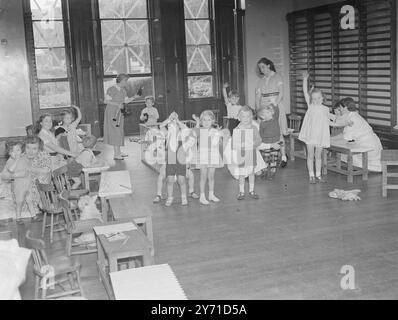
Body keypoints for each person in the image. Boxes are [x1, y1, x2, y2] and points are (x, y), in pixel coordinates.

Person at [298, 71, 335, 184]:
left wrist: (346, 121)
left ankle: (318, 175)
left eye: (318, 98)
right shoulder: (310, 106)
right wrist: (305, 79)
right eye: (314, 99)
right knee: (310, 155)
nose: (316, 100)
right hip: (310, 135)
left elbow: (332, 119)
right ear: (311, 100)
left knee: (318, 156)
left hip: (320, 136)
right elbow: (305, 91)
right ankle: (311, 175)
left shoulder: (325, 109)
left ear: (322, 98)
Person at [332, 97, 383, 172]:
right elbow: (344, 135)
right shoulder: (353, 115)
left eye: (340, 108)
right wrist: (331, 139)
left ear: (345, 108)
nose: (340, 110)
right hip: (371, 143)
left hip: (369, 146)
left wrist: (330, 140)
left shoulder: (352, 118)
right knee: (344, 155)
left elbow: (344, 138)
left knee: (346, 156)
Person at [255, 57, 288, 168]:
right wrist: (258, 110)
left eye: (263, 67)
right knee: (264, 132)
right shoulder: (261, 80)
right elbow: (258, 96)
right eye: (260, 68)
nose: (262, 69)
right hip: (264, 109)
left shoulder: (277, 77)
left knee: (277, 131)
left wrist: (274, 106)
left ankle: (283, 156)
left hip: (275, 106)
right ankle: (266, 157)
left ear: (269, 65)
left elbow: (281, 93)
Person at [193, 110, 227, 205]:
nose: (206, 122)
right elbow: (193, 134)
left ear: (213, 121)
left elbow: (219, 142)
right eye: (204, 120)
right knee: (203, 176)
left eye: (209, 120)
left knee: (211, 176)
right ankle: (202, 196)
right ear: (201, 121)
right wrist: (197, 123)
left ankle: (211, 194)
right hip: (203, 156)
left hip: (213, 155)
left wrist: (219, 135)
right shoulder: (199, 130)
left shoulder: (215, 131)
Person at [103, 74, 140, 160]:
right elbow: (106, 101)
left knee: (119, 131)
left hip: (119, 113)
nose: (126, 83)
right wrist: (117, 104)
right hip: (112, 113)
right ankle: (116, 154)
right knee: (115, 132)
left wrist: (135, 96)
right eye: (126, 81)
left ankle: (118, 152)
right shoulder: (111, 89)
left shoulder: (123, 90)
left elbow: (126, 101)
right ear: (121, 80)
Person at [231, 106, 261, 200]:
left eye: (248, 116)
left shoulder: (254, 128)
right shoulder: (237, 129)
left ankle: (252, 190)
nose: (246, 119)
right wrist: (239, 144)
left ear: (252, 117)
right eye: (243, 116)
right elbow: (233, 143)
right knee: (241, 173)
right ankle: (241, 191)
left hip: (251, 153)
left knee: (251, 172)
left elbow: (259, 140)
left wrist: (254, 143)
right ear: (239, 118)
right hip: (241, 154)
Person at [160, 112, 190, 207]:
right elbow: (161, 125)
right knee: (170, 180)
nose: (172, 127)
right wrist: (170, 119)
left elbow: (186, 128)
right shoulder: (167, 135)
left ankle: (184, 197)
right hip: (171, 160)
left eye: (175, 126)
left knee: (181, 180)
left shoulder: (181, 135)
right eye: (170, 126)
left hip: (180, 160)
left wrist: (177, 121)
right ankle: (170, 197)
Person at [0, 141, 31, 224]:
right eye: (13, 151)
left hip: (26, 183)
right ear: (9, 153)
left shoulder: (24, 158)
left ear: (22, 151)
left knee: (29, 198)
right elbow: (6, 175)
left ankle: (31, 211)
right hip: (17, 185)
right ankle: (18, 217)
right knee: (19, 200)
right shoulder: (10, 161)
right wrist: (16, 174)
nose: (16, 153)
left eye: (18, 150)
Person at [257, 104, 282, 180]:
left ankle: (272, 172)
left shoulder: (275, 119)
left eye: (269, 112)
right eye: (265, 114)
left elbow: (277, 111)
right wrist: (261, 141)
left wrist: (275, 104)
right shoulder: (262, 123)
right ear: (262, 117)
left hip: (275, 142)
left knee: (273, 159)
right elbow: (260, 133)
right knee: (265, 159)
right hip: (266, 143)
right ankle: (264, 171)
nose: (268, 114)